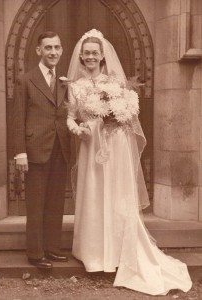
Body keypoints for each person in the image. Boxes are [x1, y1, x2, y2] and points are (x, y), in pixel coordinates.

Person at [66, 29, 192, 295]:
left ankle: (116, 253)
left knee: (115, 196)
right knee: (93, 194)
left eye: (94, 53)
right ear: (81, 56)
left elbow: (127, 115)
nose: (90, 57)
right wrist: (76, 128)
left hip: (115, 146)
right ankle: (92, 253)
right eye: (86, 53)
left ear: (102, 56)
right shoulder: (75, 86)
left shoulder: (115, 84)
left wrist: (116, 116)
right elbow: (72, 115)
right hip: (90, 146)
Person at [13, 31, 71, 269]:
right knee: (36, 203)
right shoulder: (26, 80)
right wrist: (20, 152)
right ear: (39, 51)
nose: (53, 52)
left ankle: (52, 248)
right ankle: (35, 253)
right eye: (48, 48)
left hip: (60, 149)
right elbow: (17, 118)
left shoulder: (63, 81)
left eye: (57, 47)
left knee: (56, 202)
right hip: (35, 150)